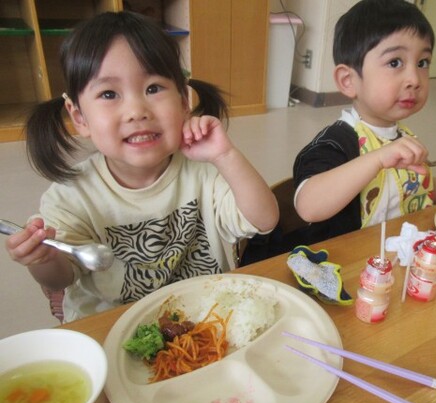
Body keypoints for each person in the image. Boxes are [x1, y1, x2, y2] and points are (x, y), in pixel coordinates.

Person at [4, 11, 278, 322]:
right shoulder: (71, 196)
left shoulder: (204, 169)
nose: (137, 110)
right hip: (111, 325)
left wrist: (225, 155)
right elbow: (59, 279)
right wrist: (42, 258)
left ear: (184, 101)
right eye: (109, 94)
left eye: (153, 88)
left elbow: (264, 219)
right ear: (79, 117)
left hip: (205, 316)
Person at [292, 0, 436, 245]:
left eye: (422, 63)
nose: (414, 79)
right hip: (345, 259)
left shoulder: (402, 136)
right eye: (395, 62)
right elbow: (308, 206)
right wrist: (378, 159)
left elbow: (410, 188)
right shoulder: (337, 141)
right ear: (348, 81)